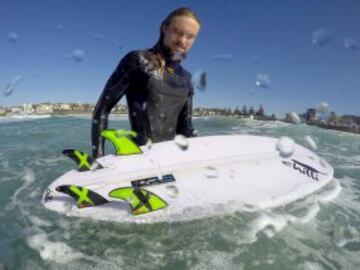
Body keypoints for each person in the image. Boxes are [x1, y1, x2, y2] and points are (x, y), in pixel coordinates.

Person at [91, 7, 201, 158]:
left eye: (190, 36)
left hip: (171, 157)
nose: (183, 40)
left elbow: (185, 127)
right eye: (177, 31)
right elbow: (102, 110)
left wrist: (202, 151)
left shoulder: (186, 79)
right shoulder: (138, 61)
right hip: (140, 158)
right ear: (164, 28)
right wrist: (98, 157)